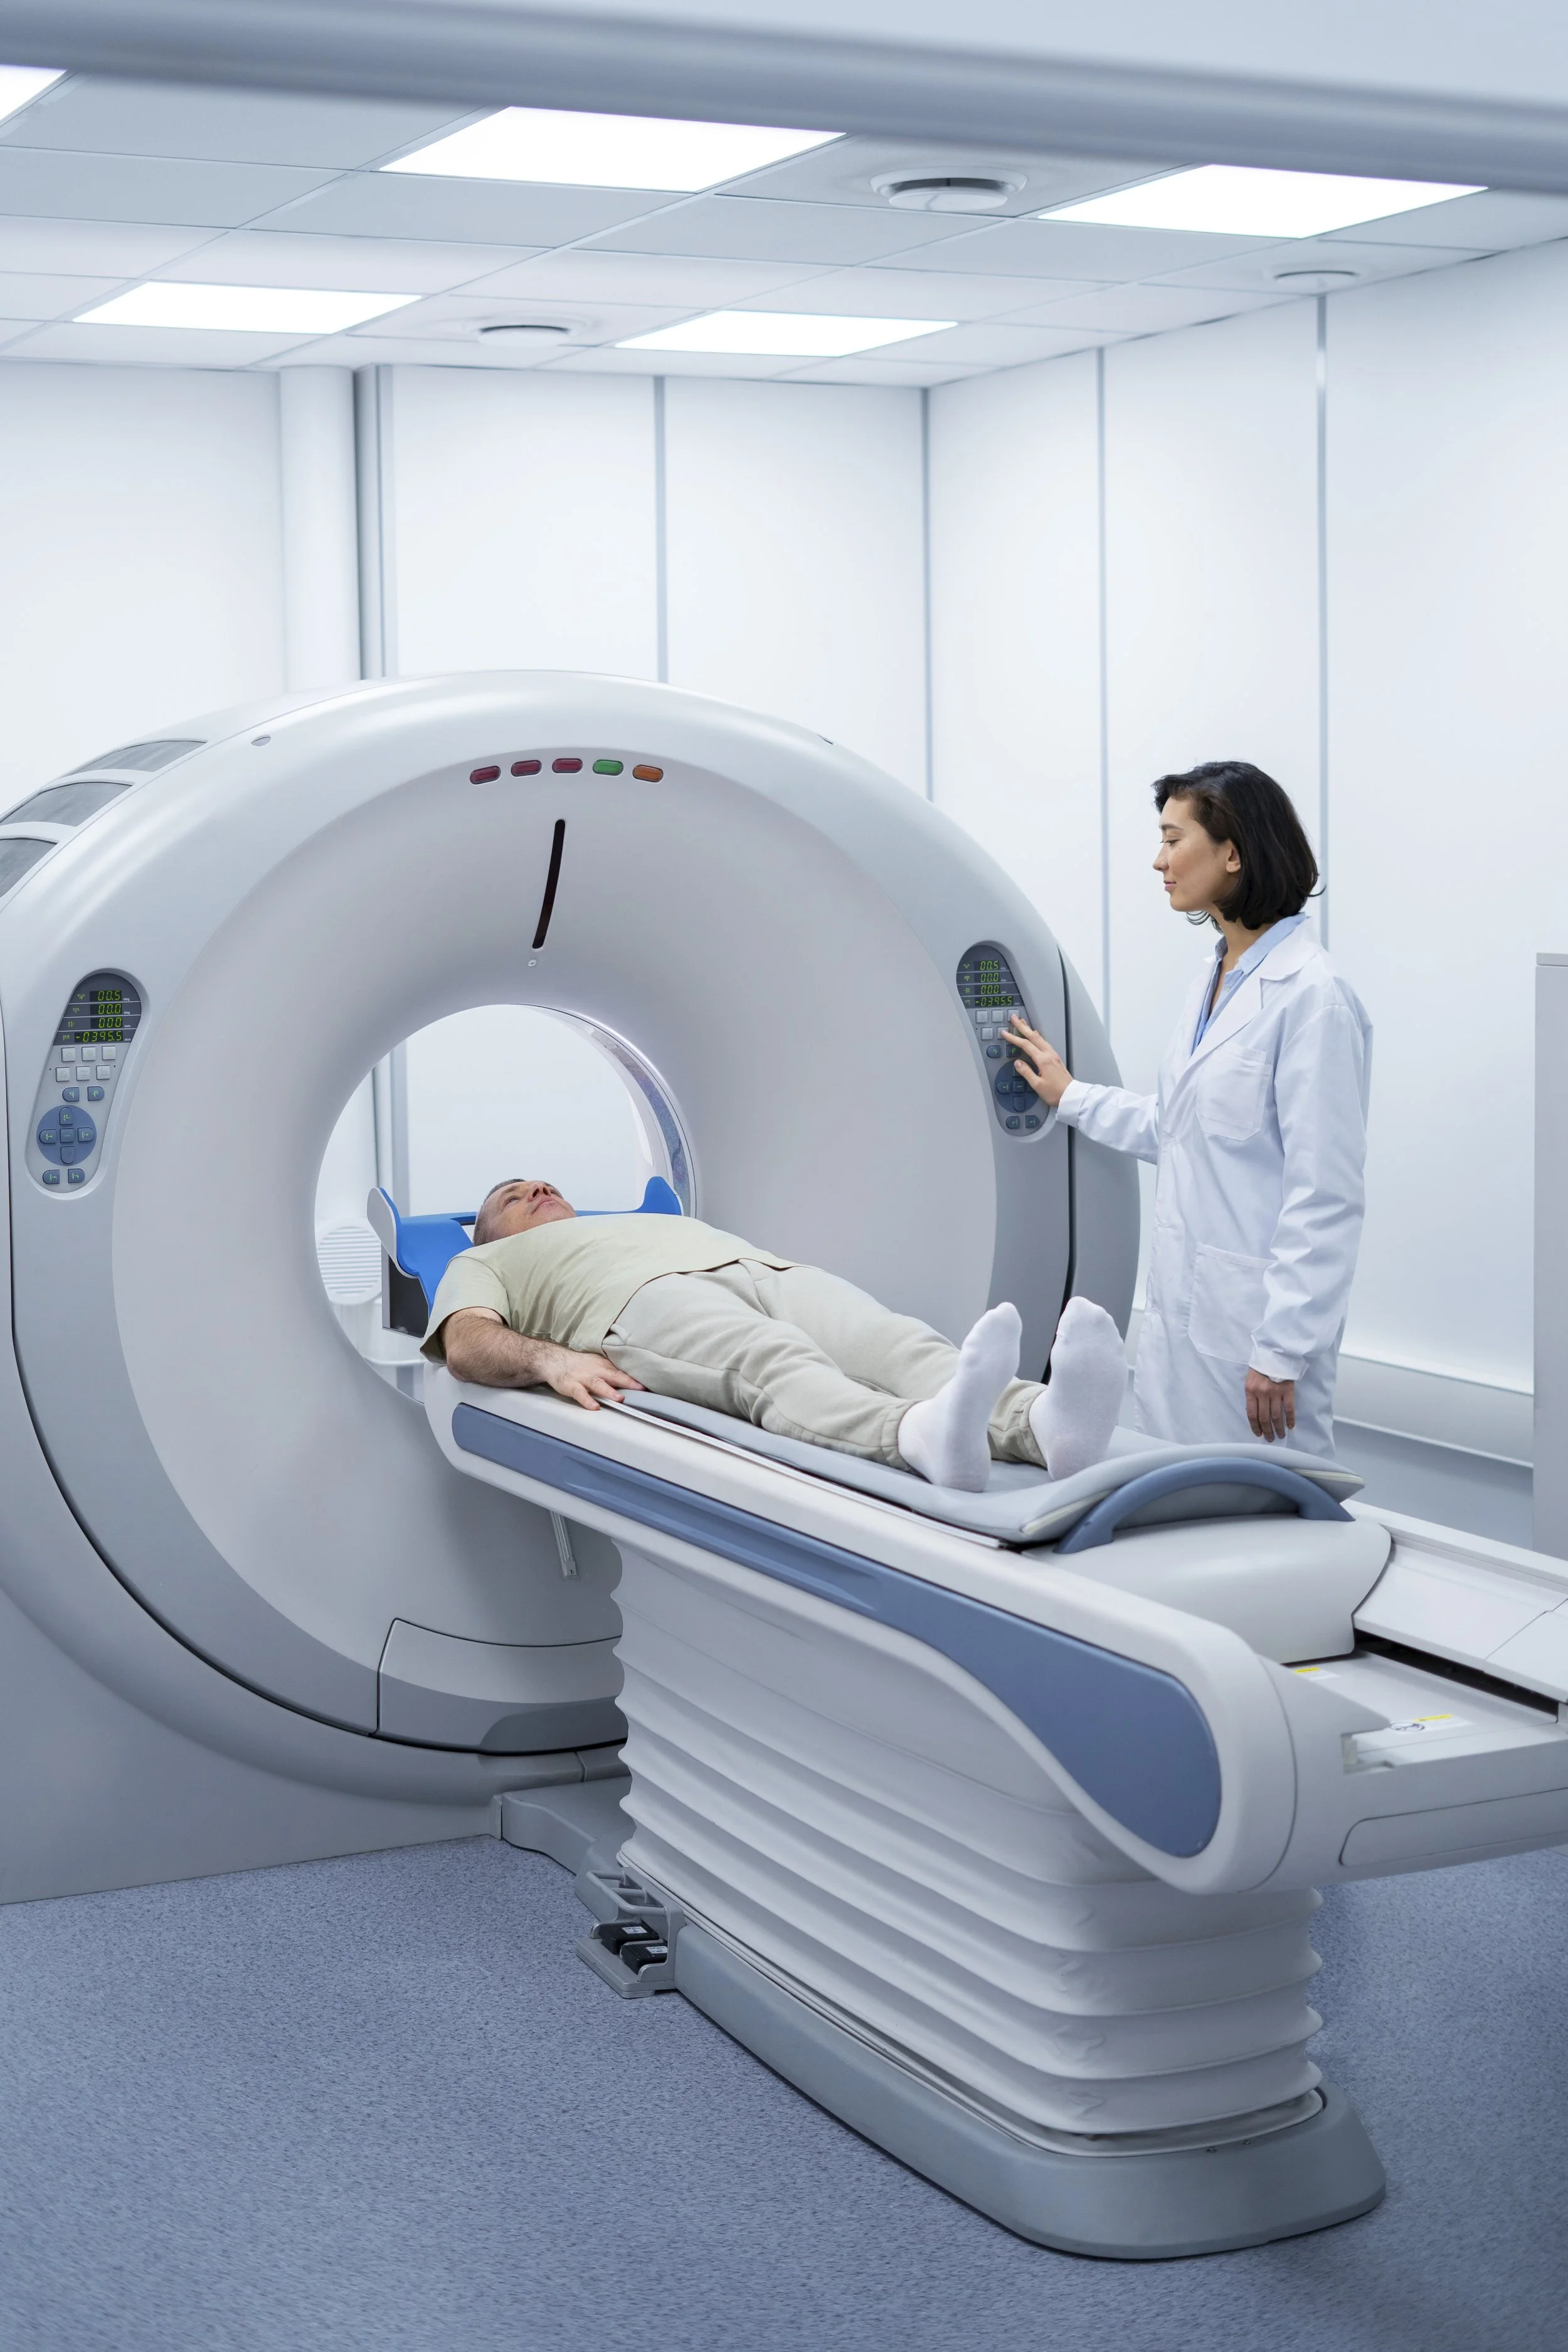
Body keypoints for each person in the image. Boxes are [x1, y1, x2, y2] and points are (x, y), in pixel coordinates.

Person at [1006, 760, 1370, 1458]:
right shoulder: (1216, 975)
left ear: (1232, 852)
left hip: (1257, 1347)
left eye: (1174, 840)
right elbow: (1177, 1129)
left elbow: (1325, 1195)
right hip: (1184, 1331)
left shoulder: (1312, 997)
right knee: (1179, 1508)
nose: (1158, 860)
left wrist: (1283, 1347)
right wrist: (1069, 1094)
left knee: (1261, 1526)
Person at [423, 1177, 1128, 1492]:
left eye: (544, 1183)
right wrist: (551, 1360)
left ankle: (1040, 1423)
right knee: (771, 1363)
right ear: (491, 1233)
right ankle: (916, 1437)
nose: (538, 1189)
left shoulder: (646, 1220)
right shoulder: (484, 1261)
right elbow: (465, 1344)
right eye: (513, 1197)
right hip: (635, 1304)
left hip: (762, 1269)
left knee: (891, 1340)